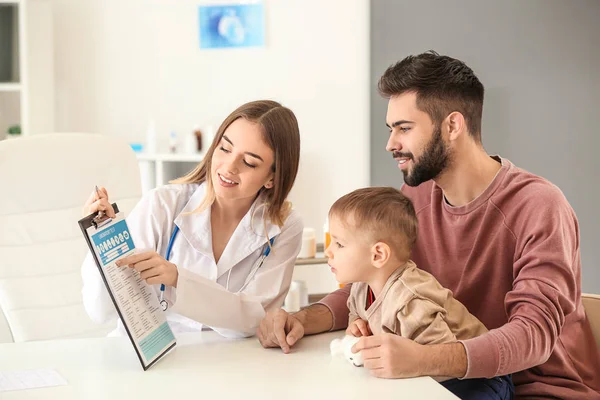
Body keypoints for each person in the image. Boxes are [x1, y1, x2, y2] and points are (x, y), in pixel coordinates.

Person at [257, 52, 600, 398]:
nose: (391, 144)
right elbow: (376, 280)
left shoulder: (539, 206)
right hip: (444, 385)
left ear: (452, 125)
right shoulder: (417, 196)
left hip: (536, 390)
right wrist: (301, 320)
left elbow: (533, 335)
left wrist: (425, 359)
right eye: (391, 129)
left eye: (404, 128)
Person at [82, 100, 303, 338]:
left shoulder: (284, 226)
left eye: (249, 162)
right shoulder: (163, 205)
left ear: (272, 177)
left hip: (226, 362)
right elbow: (101, 311)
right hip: (151, 356)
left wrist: (178, 279)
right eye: (224, 149)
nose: (229, 167)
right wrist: (105, 243)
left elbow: (256, 319)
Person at [327, 186, 513, 399]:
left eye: (339, 244)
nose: (329, 251)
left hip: (479, 380)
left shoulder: (411, 302)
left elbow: (445, 361)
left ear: (378, 255)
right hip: (434, 377)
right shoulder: (361, 287)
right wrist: (357, 324)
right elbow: (357, 312)